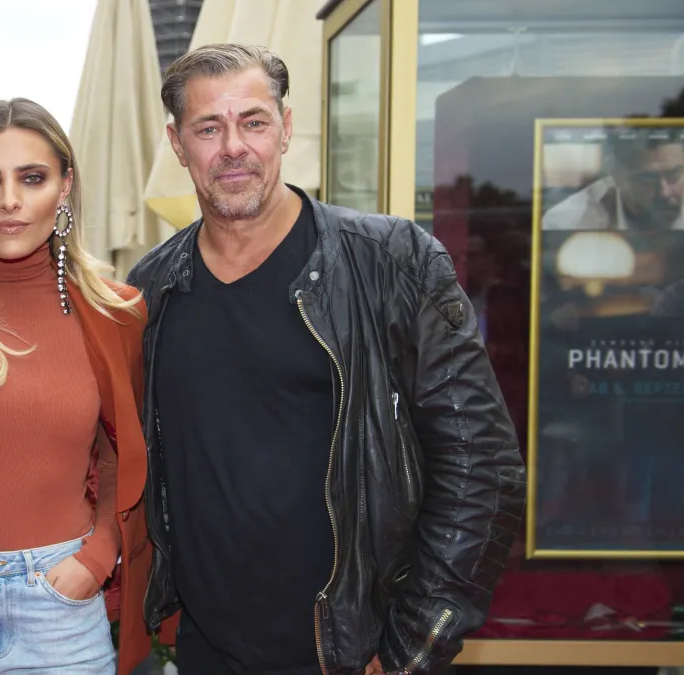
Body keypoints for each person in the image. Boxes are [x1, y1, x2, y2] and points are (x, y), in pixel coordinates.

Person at [127, 44, 526, 675]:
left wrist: (411, 649)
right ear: (178, 145)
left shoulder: (393, 263)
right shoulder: (151, 288)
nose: (234, 146)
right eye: (209, 128)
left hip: (351, 654)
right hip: (206, 651)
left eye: (253, 121)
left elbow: (484, 469)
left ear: (286, 128)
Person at [0, 98, 153, 674]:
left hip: (59, 610)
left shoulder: (116, 312)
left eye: (33, 178)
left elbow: (126, 455)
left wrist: (97, 558)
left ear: (64, 187)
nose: (9, 201)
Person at [542, 130, 684, 230]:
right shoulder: (566, 223)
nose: (664, 193)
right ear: (617, 176)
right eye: (646, 179)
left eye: (674, 175)